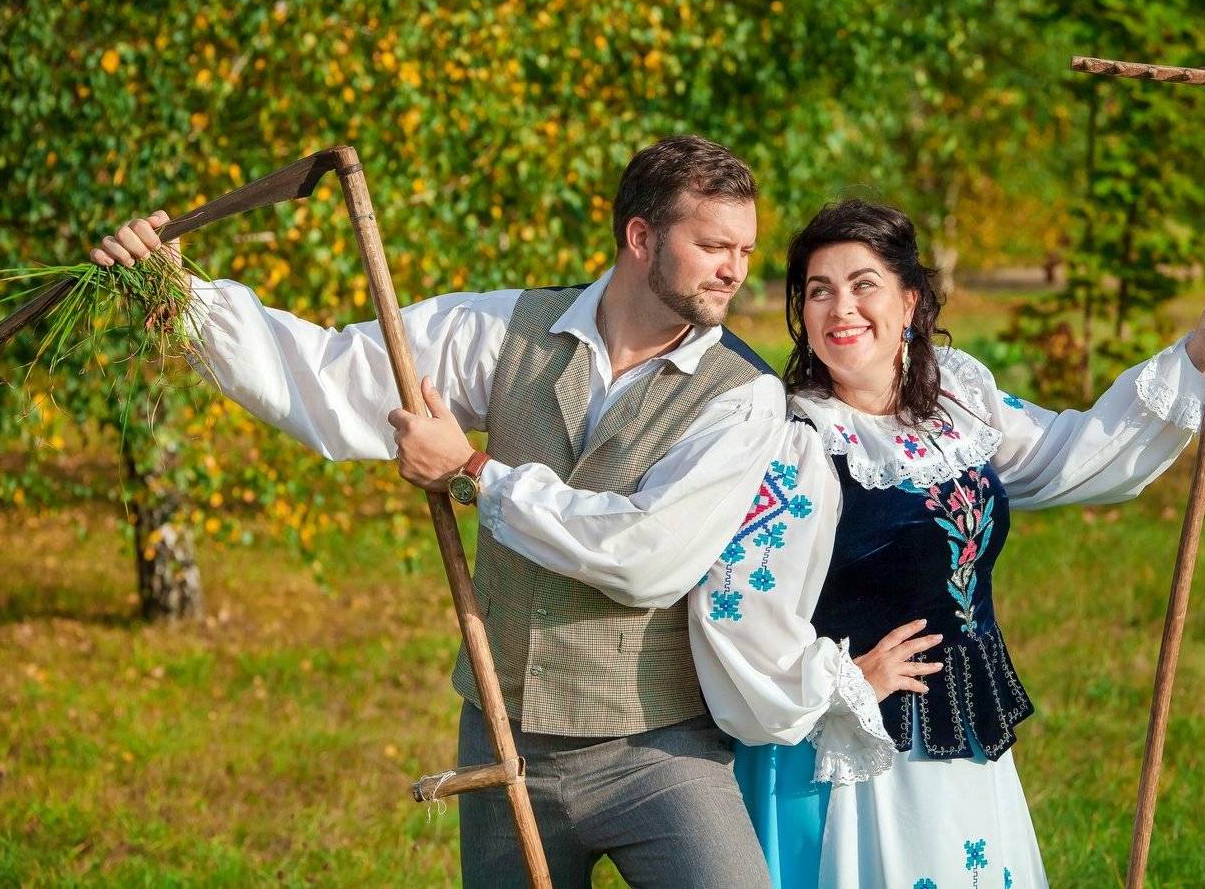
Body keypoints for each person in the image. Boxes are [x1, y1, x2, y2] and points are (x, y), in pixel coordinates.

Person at [91, 135, 801, 887]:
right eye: (714, 246)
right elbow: (334, 377)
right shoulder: (510, 328)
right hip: (503, 735)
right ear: (640, 237)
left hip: (657, 748)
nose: (735, 270)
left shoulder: (744, 394)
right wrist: (185, 297)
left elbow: (646, 557)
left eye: (746, 250)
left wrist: (473, 472)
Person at [688, 200, 1205, 888]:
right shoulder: (797, 441)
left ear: (909, 301)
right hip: (857, 751)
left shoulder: (956, 401)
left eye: (864, 284)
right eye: (819, 290)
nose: (842, 308)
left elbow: (1064, 454)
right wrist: (843, 681)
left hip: (964, 722)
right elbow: (736, 602)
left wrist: (1195, 354)